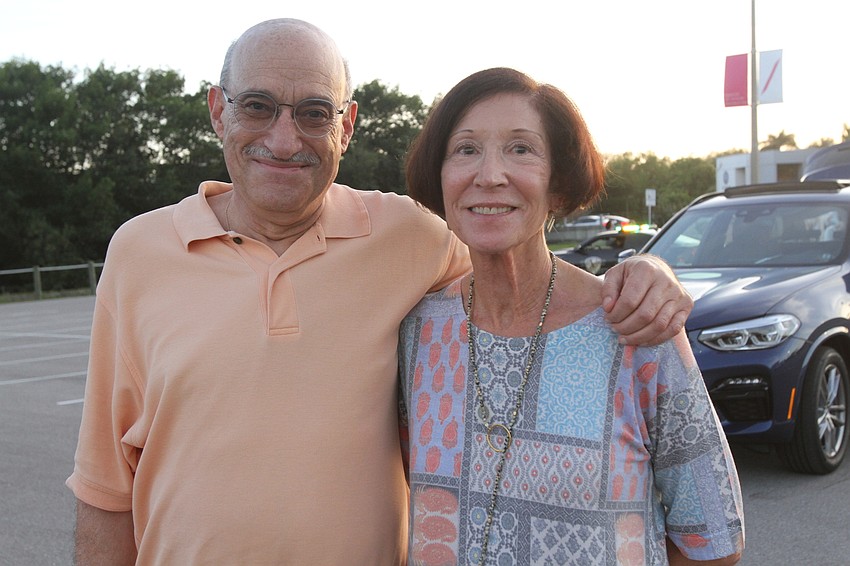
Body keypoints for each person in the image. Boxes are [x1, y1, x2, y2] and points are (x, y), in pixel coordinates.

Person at [66, 20, 693, 565]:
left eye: (314, 112)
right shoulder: (139, 252)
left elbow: (520, 270)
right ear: (217, 111)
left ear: (348, 126)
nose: (284, 140)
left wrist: (646, 273)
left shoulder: (408, 237)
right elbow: (105, 486)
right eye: (257, 106)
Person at [399, 67, 744, 565]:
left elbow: (714, 540)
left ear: (558, 186)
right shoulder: (418, 332)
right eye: (466, 149)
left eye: (521, 149)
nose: (489, 174)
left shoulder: (634, 326)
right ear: (440, 177)